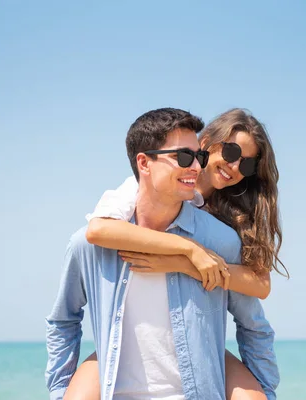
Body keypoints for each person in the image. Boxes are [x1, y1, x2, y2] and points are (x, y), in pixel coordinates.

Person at [45, 108, 279, 400]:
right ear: (207, 142)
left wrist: (185, 264)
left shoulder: (225, 229)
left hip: (200, 348)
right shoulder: (131, 194)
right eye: (230, 153)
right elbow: (96, 232)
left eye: (246, 166)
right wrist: (188, 249)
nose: (234, 167)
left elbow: (260, 288)